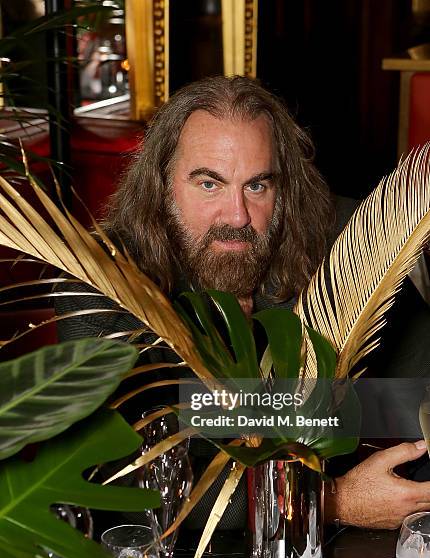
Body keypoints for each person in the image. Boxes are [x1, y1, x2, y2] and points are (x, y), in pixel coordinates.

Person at [56, 75, 430, 530]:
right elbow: (119, 479)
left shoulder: (346, 245)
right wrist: (331, 500)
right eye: (209, 184)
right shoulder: (98, 280)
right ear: (161, 185)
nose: (237, 216)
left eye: (257, 186)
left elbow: (418, 389)